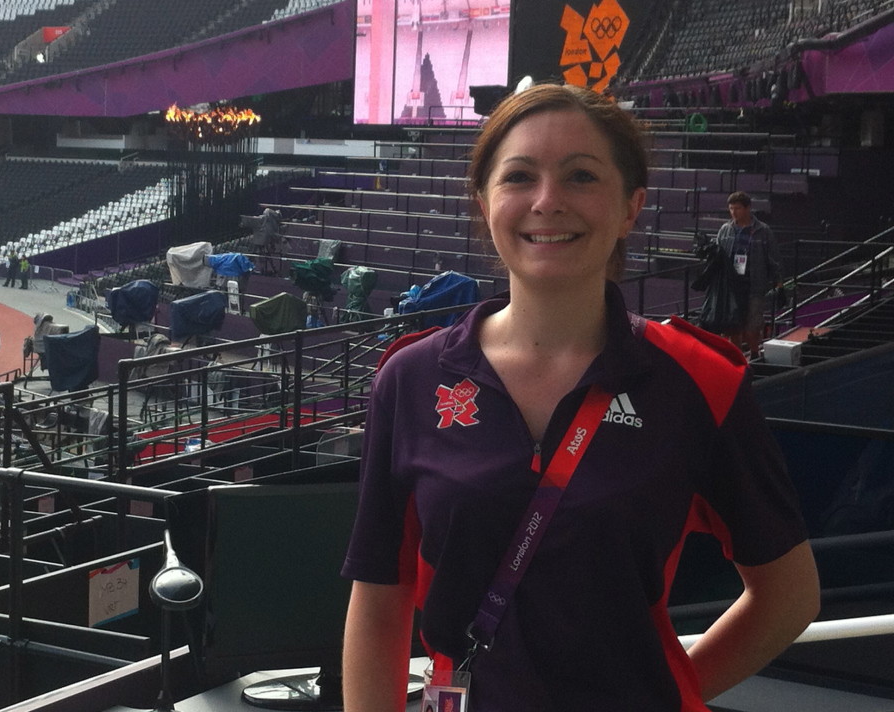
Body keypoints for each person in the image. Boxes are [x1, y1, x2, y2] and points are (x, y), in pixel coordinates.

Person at [341, 83, 818, 712]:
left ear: (629, 207)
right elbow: (380, 599)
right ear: (484, 201)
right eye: (519, 177)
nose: (548, 201)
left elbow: (787, 595)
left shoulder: (700, 382)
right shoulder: (411, 379)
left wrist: (672, 693)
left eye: (582, 176)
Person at [716, 191, 782, 360]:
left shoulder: (763, 231)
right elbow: (718, 255)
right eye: (731, 208)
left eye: (737, 208)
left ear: (748, 208)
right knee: (733, 325)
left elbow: (773, 258)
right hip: (731, 286)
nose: (734, 212)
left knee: (753, 324)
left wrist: (778, 282)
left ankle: (754, 354)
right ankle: (737, 358)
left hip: (754, 285)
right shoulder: (725, 230)